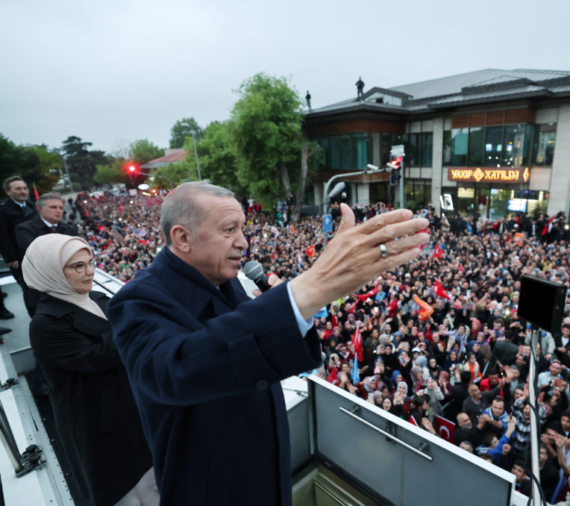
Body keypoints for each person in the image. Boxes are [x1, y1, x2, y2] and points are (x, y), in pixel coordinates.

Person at [106, 182, 429, 505]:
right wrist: (307, 290)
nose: (243, 243)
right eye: (229, 230)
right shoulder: (137, 300)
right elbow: (176, 370)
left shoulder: (225, 282)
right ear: (182, 237)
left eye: (242, 229)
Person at [22, 234, 153, 506]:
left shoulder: (96, 296)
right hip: (97, 424)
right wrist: (131, 314)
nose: (90, 271)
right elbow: (95, 359)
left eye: (90, 262)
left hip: (129, 408)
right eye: (77, 266)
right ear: (51, 272)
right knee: (124, 492)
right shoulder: (46, 324)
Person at [15, 191, 80, 314]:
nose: (58, 211)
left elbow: (79, 253)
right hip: (40, 287)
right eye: (53, 207)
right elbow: (38, 254)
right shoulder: (24, 229)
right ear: (39, 208)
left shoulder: (70, 229)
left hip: (67, 285)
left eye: (60, 207)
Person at [0, 176, 38, 314]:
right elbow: (2, 237)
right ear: (8, 192)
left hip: (36, 256)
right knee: (29, 291)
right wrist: (10, 258)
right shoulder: (3, 211)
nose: (23, 191)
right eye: (18, 188)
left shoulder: (31, 207)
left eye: (24, 188)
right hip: (19, 259)